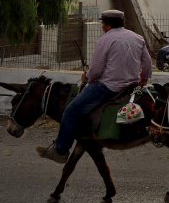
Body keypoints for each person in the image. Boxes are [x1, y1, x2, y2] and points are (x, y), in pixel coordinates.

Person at [37, 9, 152, 163]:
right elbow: (147, 63)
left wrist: (87, 77)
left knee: (71, 111)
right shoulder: (137, 38)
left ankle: (60, 150)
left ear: (107, 24)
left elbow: (96, 70)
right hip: (130, 86)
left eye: (102, 23)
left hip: (107, 87)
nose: (101, 26)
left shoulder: (105, 40)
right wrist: (143, 79)